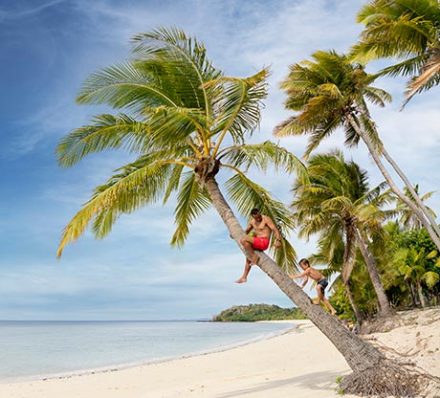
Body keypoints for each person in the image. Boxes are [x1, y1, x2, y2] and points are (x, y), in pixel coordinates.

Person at [235, 208, 282, 284]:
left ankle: (255, 257)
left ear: (260, 213)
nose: (259, 218)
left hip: (264, 242)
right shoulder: (252, 222)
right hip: (256, 242)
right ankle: (244, 277)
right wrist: (234, 235)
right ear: (253, 217)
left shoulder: (266, 219)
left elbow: (275, 229)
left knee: (243, 240)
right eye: (256, 218)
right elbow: (246, 231)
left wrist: (278, 240)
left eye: (259, 216)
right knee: (248, 253)